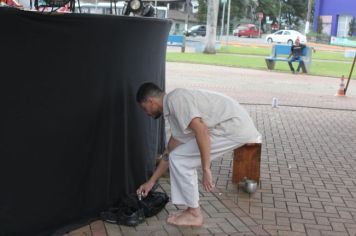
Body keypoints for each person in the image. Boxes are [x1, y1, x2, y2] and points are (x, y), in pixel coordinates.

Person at [136, 83, 261, 227]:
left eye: (144, 108)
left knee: (179, 159)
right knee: (177, 157)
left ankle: (195, 215)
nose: (146, 113)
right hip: (233, 125)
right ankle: (191, 210)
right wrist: (151, 181)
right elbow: (169, 151)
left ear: (151, 101)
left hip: (233, 127)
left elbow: (202, 131)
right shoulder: (173, 107)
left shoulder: (175, 100)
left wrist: (206, 169)